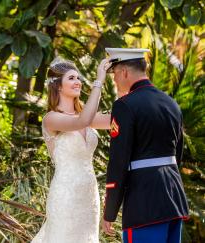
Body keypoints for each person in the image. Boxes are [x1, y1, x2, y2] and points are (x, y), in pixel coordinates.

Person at [102, 48, 189, 243]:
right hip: (173, 198)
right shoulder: (171, 103)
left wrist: (110, 212)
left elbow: (118, 161)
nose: (114, 80)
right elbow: (178, 154)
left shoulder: (125, 105)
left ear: (124, 71)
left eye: (115, 74)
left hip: (144, 202)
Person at [31, 57, 111, 243]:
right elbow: (81, 122)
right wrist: (99, 80)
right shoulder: (51, 119)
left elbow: (118, 119)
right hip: (65, 195)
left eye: (79, 78)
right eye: (72, 78)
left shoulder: (85, 116)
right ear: (58, 86)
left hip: (89, 196)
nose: (78, 82)